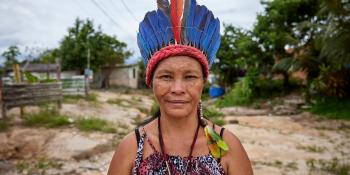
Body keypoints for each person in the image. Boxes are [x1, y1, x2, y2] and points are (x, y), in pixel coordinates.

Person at [108, 0, 253, 174]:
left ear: (203, 82)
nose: (178, 88)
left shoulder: (228, 147)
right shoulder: (131, 147)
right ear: (151, 82)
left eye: (190, 77)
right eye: (166, 77)